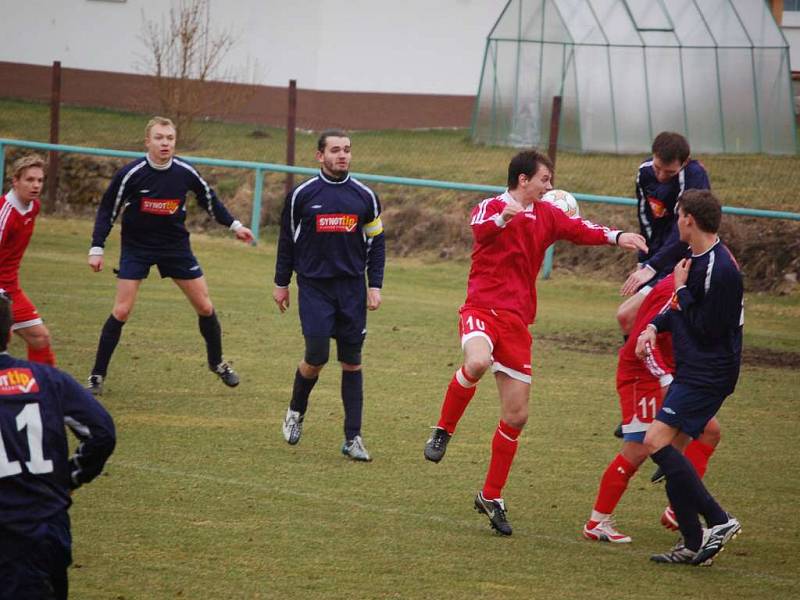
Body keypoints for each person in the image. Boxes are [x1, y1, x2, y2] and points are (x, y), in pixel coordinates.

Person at [422, 150, 648, 536]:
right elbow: (480, 228)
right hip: (481, 307)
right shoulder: (491, 206)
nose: (549, 185)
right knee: (476, 362)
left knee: (517, 416)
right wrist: (502, 217)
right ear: (523, 180)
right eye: (545, 179)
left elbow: (581, 230)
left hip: (516, 322)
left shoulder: (547, 214)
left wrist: (617, 236)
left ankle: (491, 495)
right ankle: (443, 429)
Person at [86, 116, 254, 394]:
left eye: (170, 138)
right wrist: (97, 247)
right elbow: (108, 210)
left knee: (205, 306)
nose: (165, 143)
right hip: (137, 247)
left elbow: (208, 198)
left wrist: (235, 226)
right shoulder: (132, 174)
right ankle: (96, 375)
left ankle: (218, 364)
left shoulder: (185, 171)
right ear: (147, 142)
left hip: (174, 246)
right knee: (122, 310)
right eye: (159, 138)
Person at [636, 189, 743, 566]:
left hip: (709, 372)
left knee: (656, 442)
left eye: (678, 215)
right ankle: (693, 543)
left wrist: (680, 289)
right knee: (671, 453)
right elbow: (677, 309)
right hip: (694, 366)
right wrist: (653, 325)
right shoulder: (695, 258)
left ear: (688, 220)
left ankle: (718, 519)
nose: (675, 221)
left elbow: (707, 328)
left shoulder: (722, 269)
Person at [582, 274, 721, 544]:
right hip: (642, 374)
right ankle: (598, 522)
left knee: (707, 431)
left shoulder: (690, 283)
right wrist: (664, 379)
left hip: (667, 372)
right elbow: (643, 342)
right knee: (639, 449)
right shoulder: (672, 288)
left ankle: (679, 509)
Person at [273, 129, 385, 462]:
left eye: (347, 150)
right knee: (317, 355)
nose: (343, 155)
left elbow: (377, 242)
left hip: (351, 289)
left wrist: (374, 284)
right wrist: (281, 283)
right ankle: (296, 410)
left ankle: (353, 438)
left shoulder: (364, 196)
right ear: (319, 155)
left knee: (352, 362)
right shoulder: (302, 195)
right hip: (314, 287)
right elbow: (286, 242)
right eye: (335, 150)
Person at [0, 293, 116, 599]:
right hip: (46, 530)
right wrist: (69, 479)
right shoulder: (49, 380)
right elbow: (102, 433)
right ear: (11, 333)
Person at [617, 132, 710, 336]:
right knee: (632, 319)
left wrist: (653, 266)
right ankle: (650, 364)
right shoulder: (645, 171)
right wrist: (644, 260)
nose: (661, 176)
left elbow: (687, 230)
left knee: (629, 316)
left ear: (684, 162)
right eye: (657, 168)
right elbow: (646, 219)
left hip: (683, 262)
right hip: (659, 258)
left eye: (669, 172)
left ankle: (648, 366)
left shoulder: (694, 175)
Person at [0, 154, 56, 366]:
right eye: (29, 180)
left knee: (40, 338)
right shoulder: (4, 214)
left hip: (11, 289)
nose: (36, 185)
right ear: (15, 181)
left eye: (40, 181)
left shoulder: (34, 207)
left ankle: (46, 392)